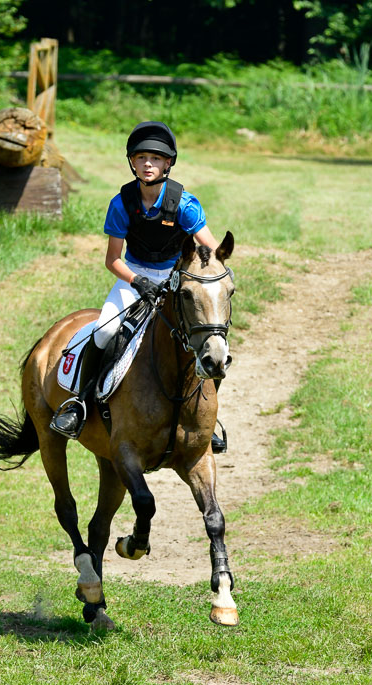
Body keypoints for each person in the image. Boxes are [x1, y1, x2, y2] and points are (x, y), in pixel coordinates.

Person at [50, 121, 227, 452]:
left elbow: (211, 249)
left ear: (168, 164)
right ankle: (81, 404)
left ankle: (207, 420)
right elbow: (112, 259)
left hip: (176, 280)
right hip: (133, 278)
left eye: (156, 159)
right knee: (103, 331)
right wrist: (138, 280)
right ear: (132, 162)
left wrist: (203, 275)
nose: (149, 164)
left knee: (206, 338)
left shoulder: (185, 205)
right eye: (142, 157)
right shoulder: (121, 203)